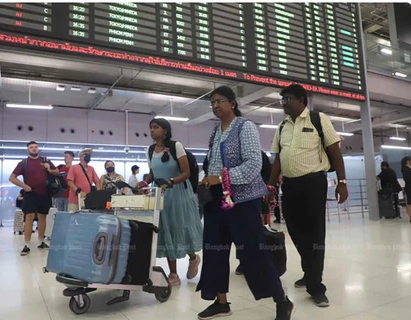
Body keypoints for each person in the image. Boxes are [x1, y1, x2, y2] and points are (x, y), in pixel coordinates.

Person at [196, 86, 294, 320]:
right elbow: (211, 163)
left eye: (220, 101)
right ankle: (221, 303)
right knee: (215, 251)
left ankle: (282, 301)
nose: (215, 106)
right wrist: (208, 182)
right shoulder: (215, 131)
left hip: (242, 201)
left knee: (253, 254)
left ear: (232, 103)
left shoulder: (245, 127)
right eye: (212, 103)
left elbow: (253, 166)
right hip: (216, 201)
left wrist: (220, 177)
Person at [268, 84, 348, 308]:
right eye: (282, 100)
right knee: (295, 231)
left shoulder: (318, 119)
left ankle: (316, 286)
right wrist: (270, 186)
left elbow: (335, 152)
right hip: (290, 186)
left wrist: (342, 182)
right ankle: (310, 271)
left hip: (313, 183)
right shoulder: (282, 126)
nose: (284, 103)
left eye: (288, 99)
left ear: (302, 100)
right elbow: (278, 160)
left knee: (315, 234)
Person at [146, 118, 202, 287]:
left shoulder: (176, 146)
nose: (152, 130)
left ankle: (193, 258)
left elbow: (186, 172)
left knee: (181, 229)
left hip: (179, 194)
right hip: (161, 195)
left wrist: (171, 181)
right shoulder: (150, 150)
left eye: (156, 127)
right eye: (151, 128)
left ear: (165, 130)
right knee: (167, 230)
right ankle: (173, 274)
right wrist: (144, 181)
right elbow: (152, 174)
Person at [9, 141, 59, 256]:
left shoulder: (45, 161)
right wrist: (24, 186)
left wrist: (49, 169)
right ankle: (26, 244)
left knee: (43, 217)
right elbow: (12, 177)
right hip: (30, 193)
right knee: (29, 217)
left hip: (45, 193)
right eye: (31, 147)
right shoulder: (23, 163)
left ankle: (41, 241)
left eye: (36, 147)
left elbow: (57, 172)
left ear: (38, 149)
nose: (34, 149)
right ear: (28, 150)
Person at [401, 156, 411, 223]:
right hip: (409, 188)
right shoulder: (406, 169)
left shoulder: (408, 169)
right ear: (408, 161)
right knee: (409, 203)